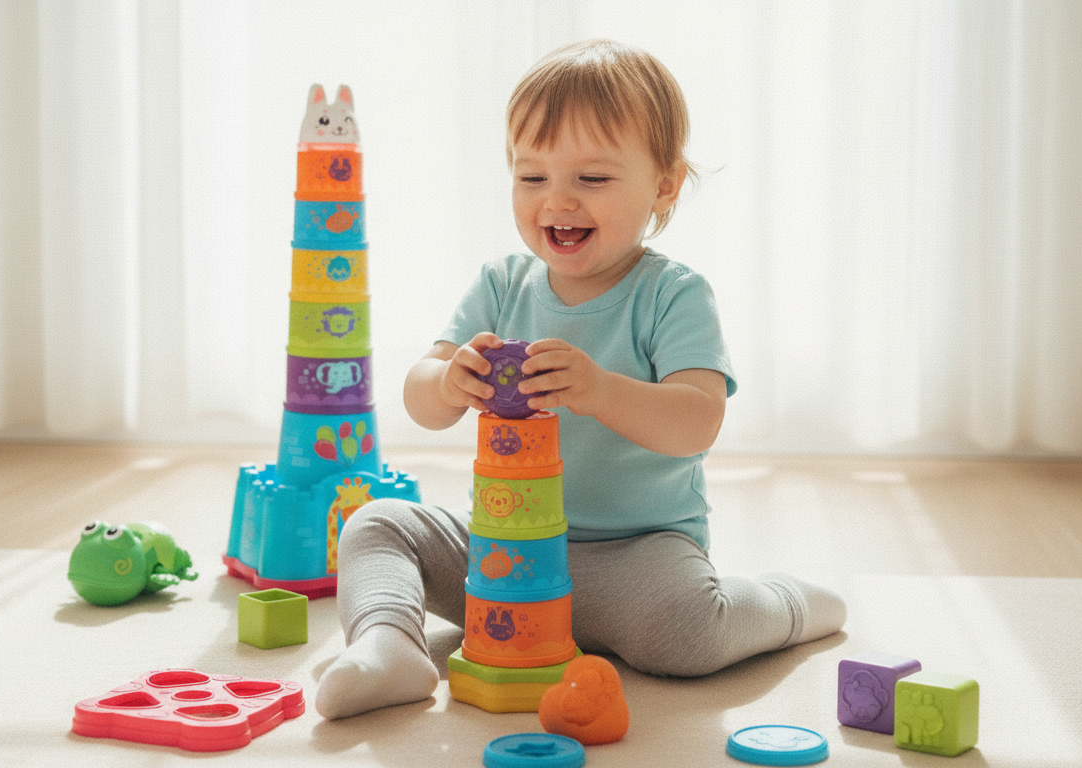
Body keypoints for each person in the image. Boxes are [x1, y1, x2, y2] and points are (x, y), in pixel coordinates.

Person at [315, 38, 845, 720]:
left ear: (663, 184)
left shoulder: (672, 295)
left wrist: (601, 390)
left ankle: (783, 604)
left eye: (591, 179)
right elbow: (422, 397)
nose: (557, 200)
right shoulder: (502, 283)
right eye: (532, 178)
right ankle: (390, 648)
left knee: (684, 635)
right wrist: (448, 382)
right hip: (502, 554)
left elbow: (696, 421)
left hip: (635, 558)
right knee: (375, 523)